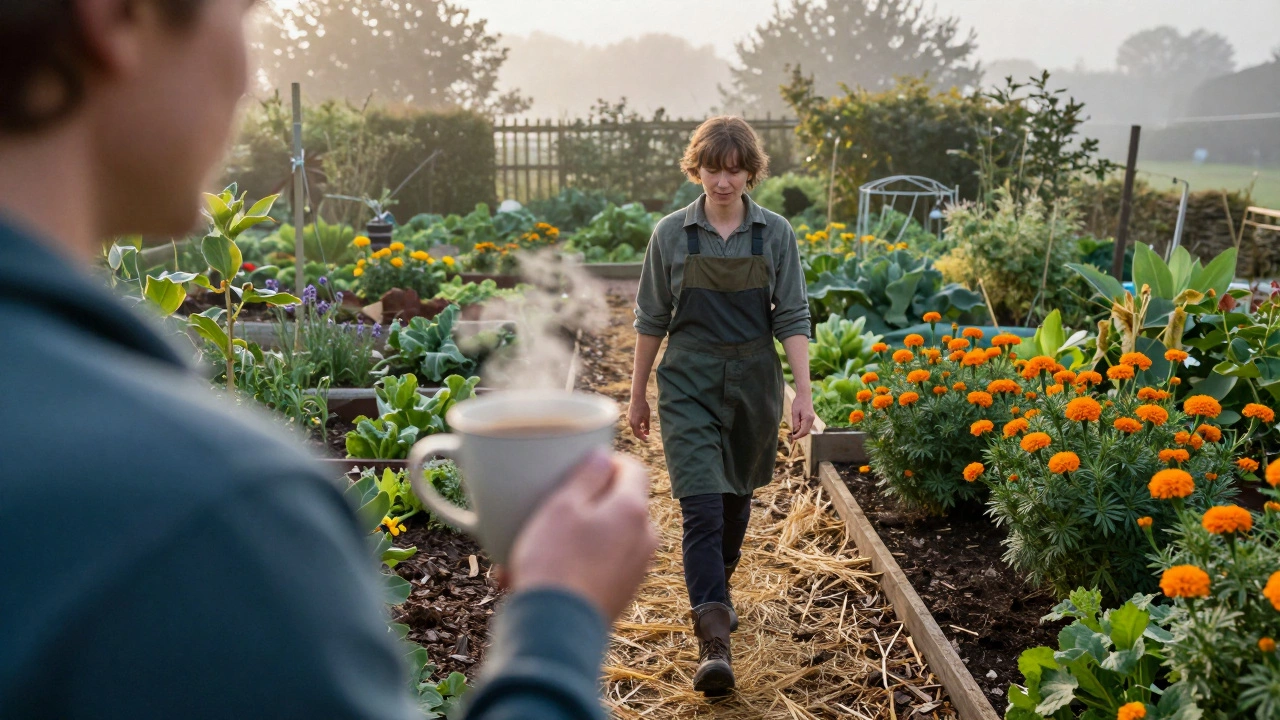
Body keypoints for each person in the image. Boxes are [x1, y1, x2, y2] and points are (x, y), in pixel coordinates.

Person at [0, 2, 656, 719]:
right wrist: (559, 613)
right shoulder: (201, 515)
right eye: (241, 16)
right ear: (116, 17)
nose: (250, 78)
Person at [629, 117, 815, 695]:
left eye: (735, 170)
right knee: (702, 508)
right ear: (698, 168)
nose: (723, 181)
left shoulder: (775, 233)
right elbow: (650, 319)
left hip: (755, 380)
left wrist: (803, 392)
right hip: (688, 380)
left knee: (735, 508)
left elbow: (791, 315)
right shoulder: (670, 234)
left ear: (751, 172)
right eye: (714, 169)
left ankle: (719, 590)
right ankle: (714, 640)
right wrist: (637, 392)